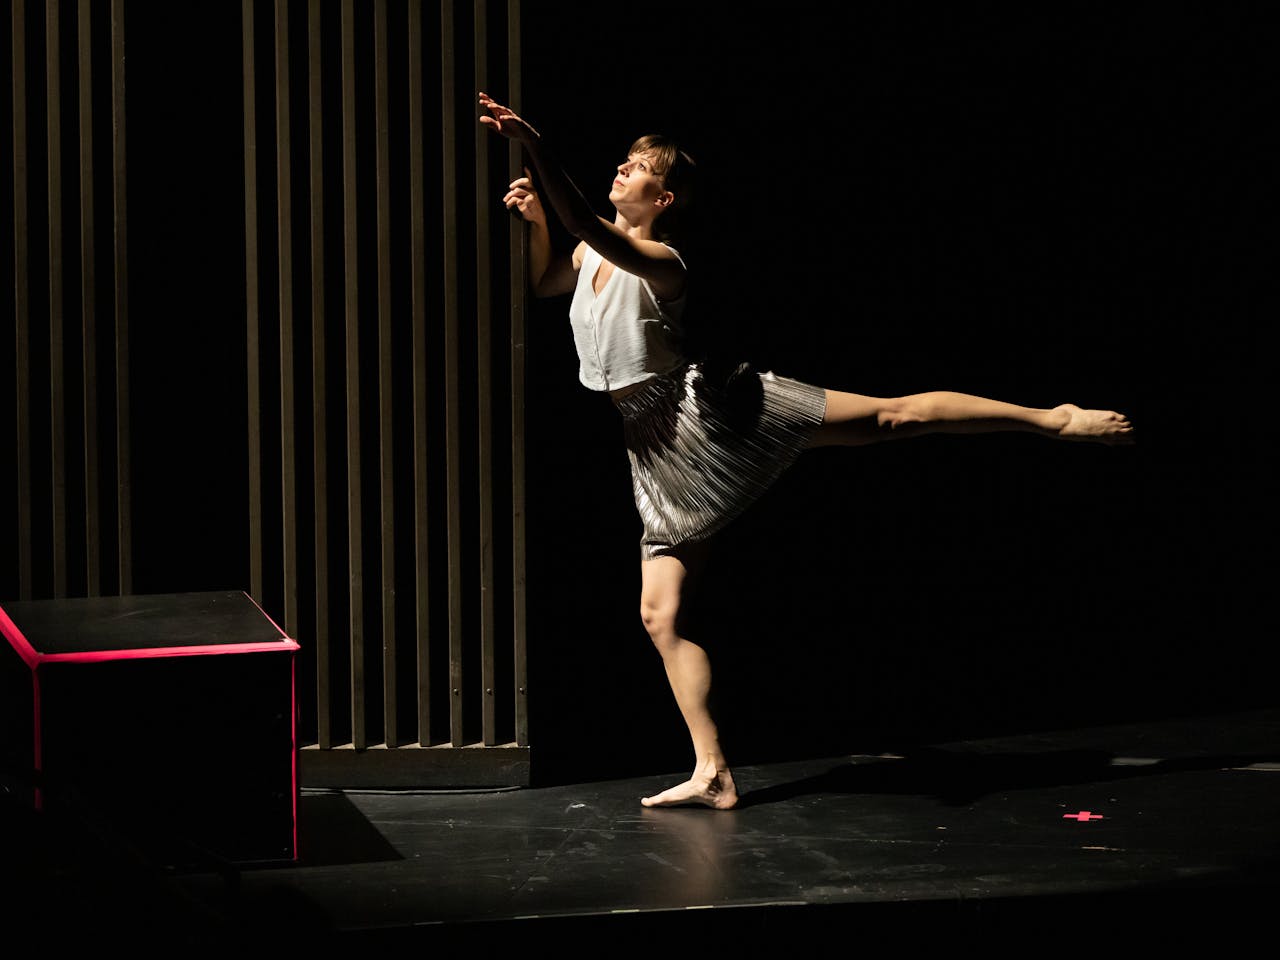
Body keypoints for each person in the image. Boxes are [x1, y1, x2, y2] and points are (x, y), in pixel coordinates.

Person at [478, 92, 1134, 810]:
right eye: (624, 159)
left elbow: (583, 222)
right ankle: (714, 772)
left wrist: (535, 148)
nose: (623, 167)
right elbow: (546, 280)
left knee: (891, 417)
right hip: (654, 446)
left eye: (638, 168)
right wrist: (537, 224)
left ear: (662, 197)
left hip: (712, 414)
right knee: (659, 617)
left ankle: (1052, 419)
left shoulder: (662, 260)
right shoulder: (584, 247)